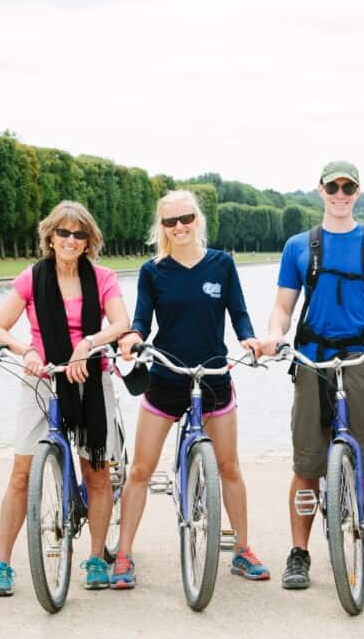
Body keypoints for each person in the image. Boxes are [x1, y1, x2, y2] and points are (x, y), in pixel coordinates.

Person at [262, 160, 364, 590]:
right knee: (307, 463)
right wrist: (275, 334)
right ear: (321, 190)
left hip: (362, 357)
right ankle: (299, 552)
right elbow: (283, 305)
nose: (340, 194)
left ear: (358, 192)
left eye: (348, 187)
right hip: (312, 360)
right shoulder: (298, 246)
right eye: (333, 186)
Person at [113, 190, 270, 588]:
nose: (179, 227)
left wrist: (249, 339)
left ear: (197, 219)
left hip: (214, 375)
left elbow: (239, 313)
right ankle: (124, 554)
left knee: (230, 468)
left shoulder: (222, 264)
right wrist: (133, 338)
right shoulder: (153, 270)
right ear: (161, 227)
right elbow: (141, 320)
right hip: (166, 377)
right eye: (170, 222)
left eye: (185, 218)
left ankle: (242, 550)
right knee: (141, 470)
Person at [0, 201, 131, 596]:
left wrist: (88, 342)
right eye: (63, 232)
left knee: (96, 473)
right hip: (43, 379)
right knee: (20, 474)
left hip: (91, 378)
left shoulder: (102, 278)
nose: (70, 240)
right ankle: (1, 564)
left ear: (88, 242)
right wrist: (25, 351)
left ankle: (96, 558)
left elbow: (121, 323)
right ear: (50, 236)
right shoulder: (32, 278)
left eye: (79, 234)